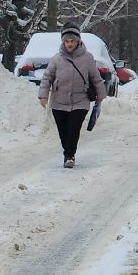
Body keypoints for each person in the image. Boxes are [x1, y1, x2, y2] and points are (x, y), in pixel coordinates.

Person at [36, 25, 106, 168]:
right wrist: (43, 96)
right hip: (59, 100)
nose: (69, 44)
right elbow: (47, 77)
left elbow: (95, 77)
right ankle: (67, 152)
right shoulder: (56, 59)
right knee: (63, 131)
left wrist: (101, 94)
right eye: (67, 41)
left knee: (73, 129)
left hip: (80, 100)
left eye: (72, 41)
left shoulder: (87, 58)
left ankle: (69, 155)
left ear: (77, 41)